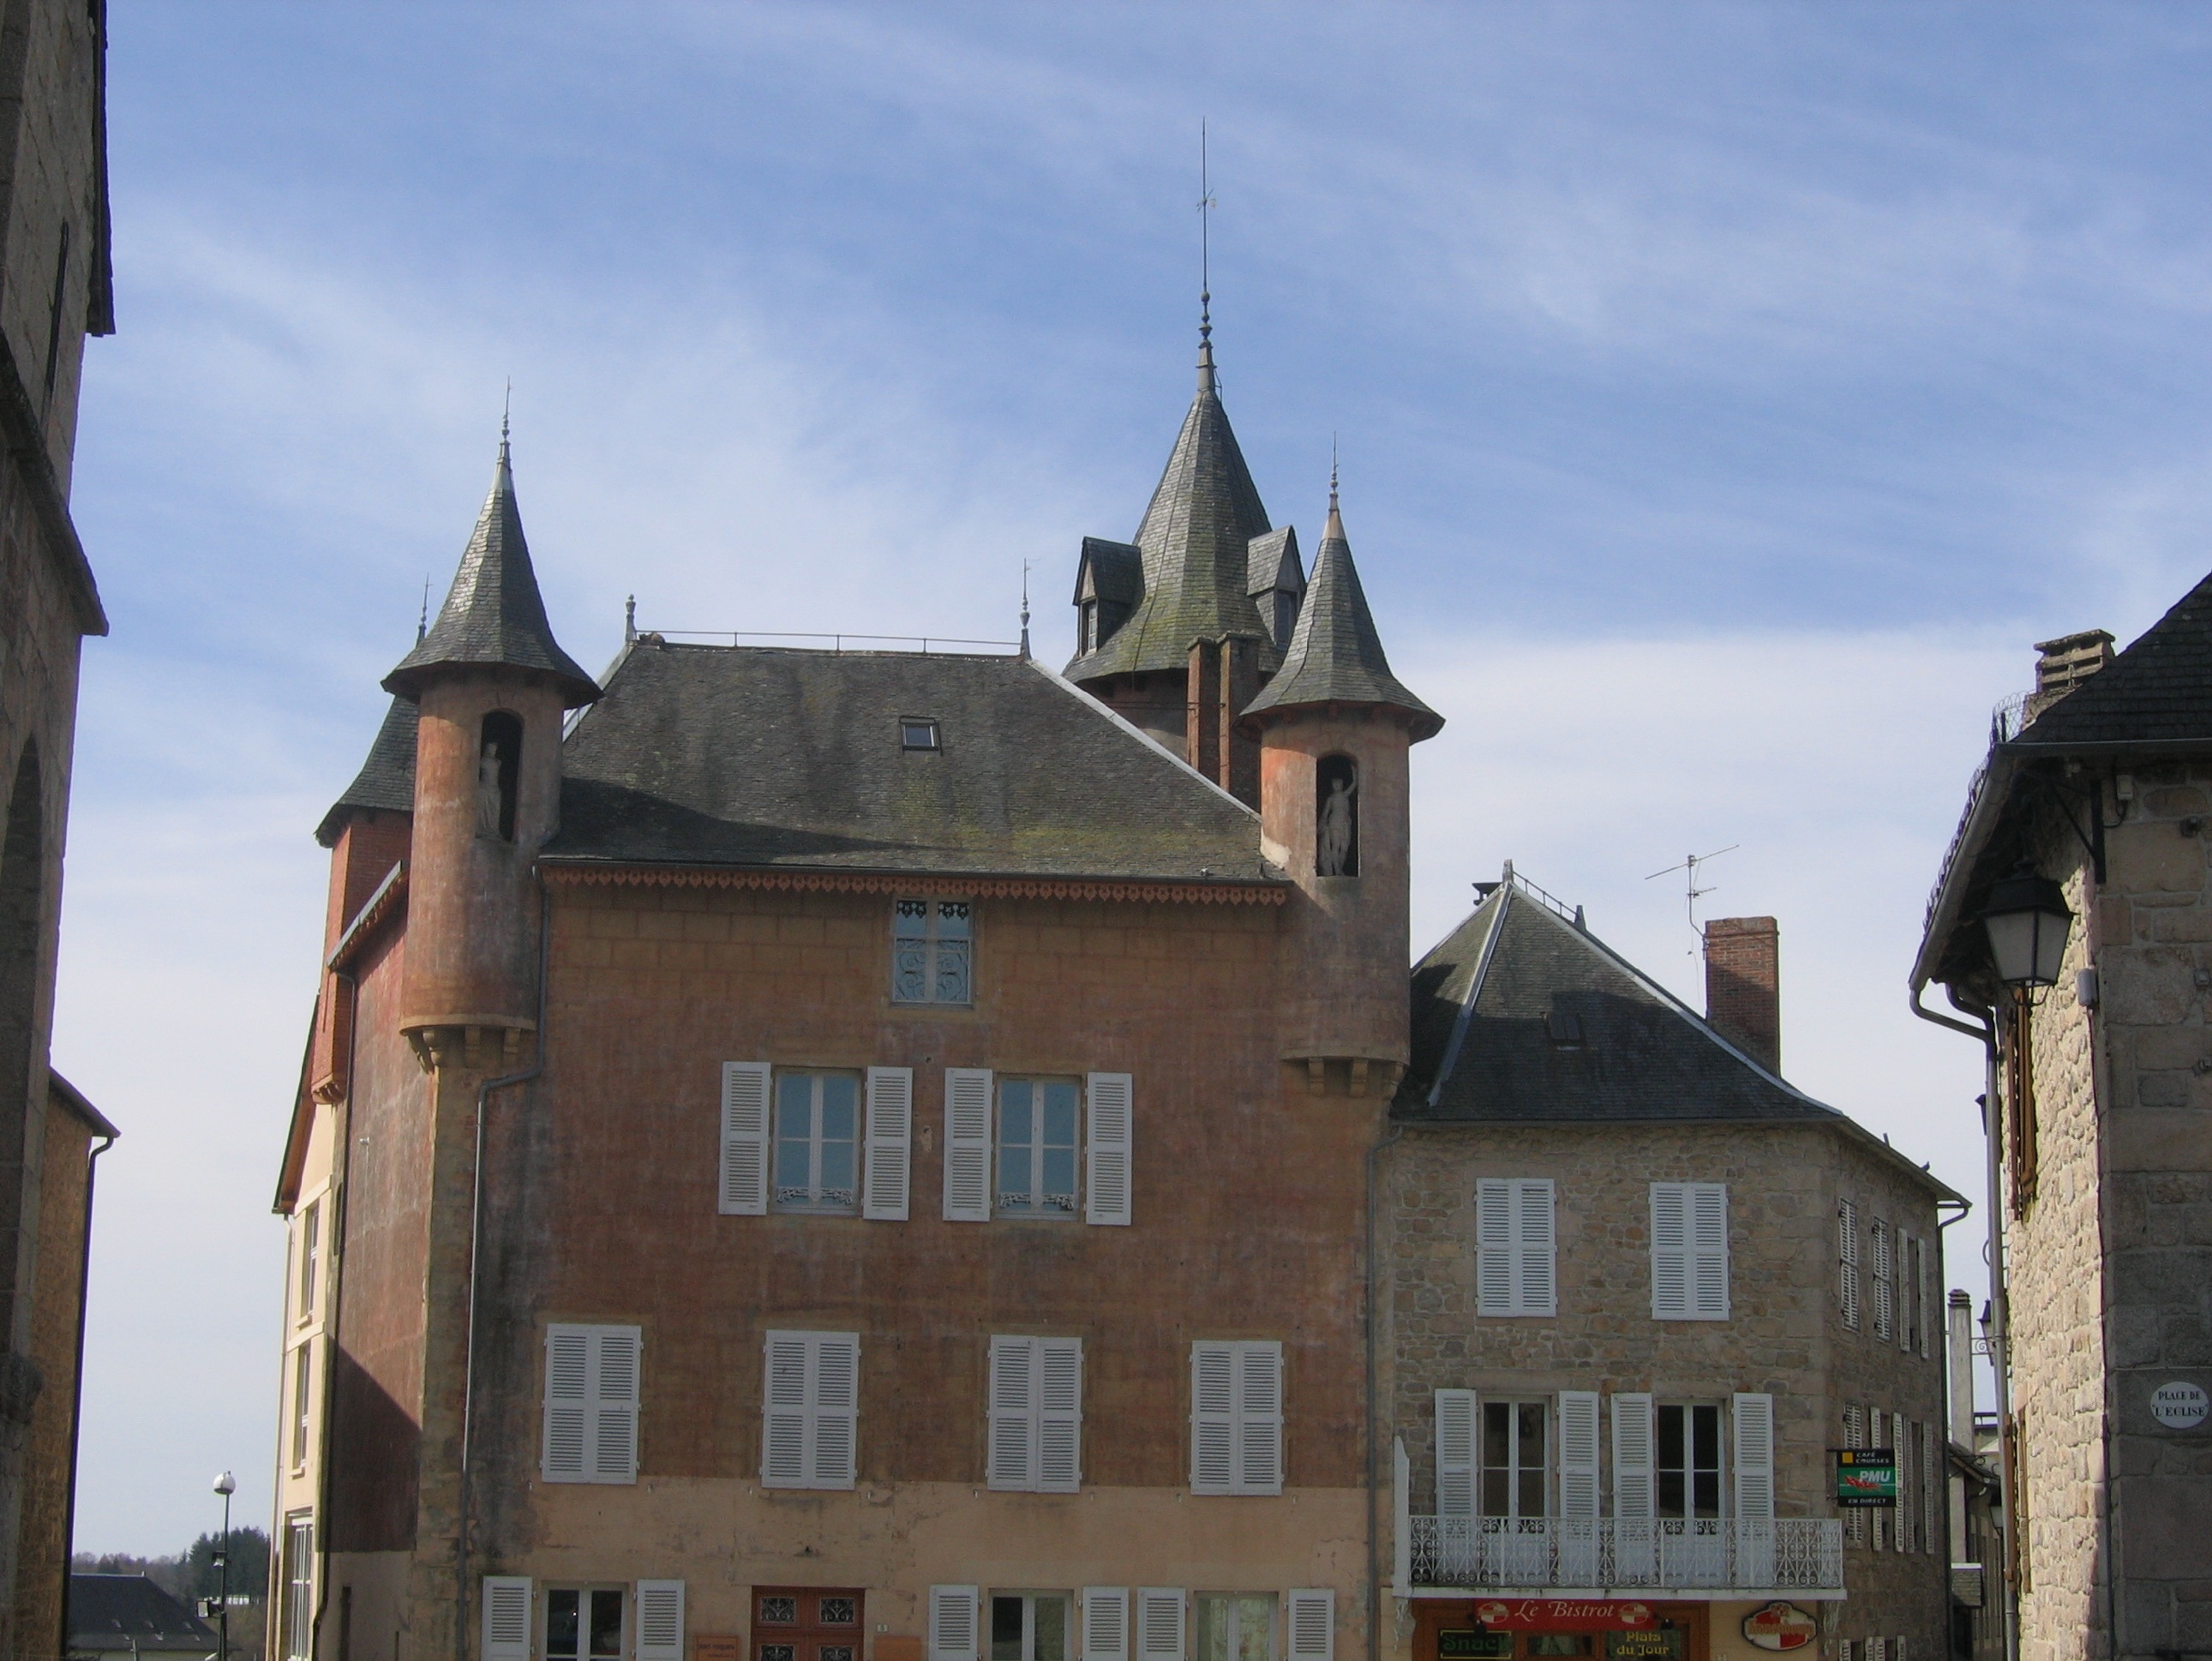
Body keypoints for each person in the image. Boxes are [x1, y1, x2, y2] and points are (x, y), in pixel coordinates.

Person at [1318, 771, 1356, 875]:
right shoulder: (1331, 799)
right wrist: (1323, 823)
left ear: (1342, 785)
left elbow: (1354, 784)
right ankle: (1337, 869)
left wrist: (1354, 772)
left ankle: (1340, 868)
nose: (1337, 786)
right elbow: (1326, 812)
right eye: (1335, 784)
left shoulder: (1345, 795)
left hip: (1345, 822)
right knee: (1336, 845)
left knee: (1344, 847)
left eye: (1339, 784)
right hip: (1334, 821)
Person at [477, 741, 506, 839]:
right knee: (484, 810)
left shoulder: (495, 762)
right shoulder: (485, 761)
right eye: (492, 748)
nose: (494, 750)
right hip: (486, 788)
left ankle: (491, 829)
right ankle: (483, 829)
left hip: (494, 789)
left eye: (495, 749)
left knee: (493, 812)